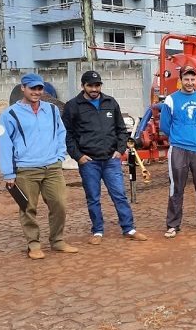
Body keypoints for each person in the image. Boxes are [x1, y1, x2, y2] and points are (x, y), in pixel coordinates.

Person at [0, 73, 78, 259]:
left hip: (52, 167)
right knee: (28, 208)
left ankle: (57, 241)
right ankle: (33, 244)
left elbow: (61, 133)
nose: (36, 92)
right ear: (23, 88)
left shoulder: (52, 110)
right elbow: (5, 144)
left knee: (59, 204)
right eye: (32, 88)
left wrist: (60, 155)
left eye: (39, 88)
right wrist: (8, 173)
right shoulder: (9, 115)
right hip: (26, 169)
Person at [62, 70, 147, 245]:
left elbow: (121, 129)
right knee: (93, 198)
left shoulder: (110, 102)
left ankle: (129, 228)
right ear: (83, 86)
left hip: (111, 160)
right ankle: (98, 231)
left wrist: (120, 150)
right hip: (89, 162)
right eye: (90, 85)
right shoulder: (73, 106)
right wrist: (78, 156)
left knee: (119, 195)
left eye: (97, 85)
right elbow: (67, 134)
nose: (94, 89)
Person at [160, 65, 196, 238]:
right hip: (178, 149)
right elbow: (164, 125)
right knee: (176, 188)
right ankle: (173, 225)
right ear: (180, 80)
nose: (190, 82)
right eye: (186, 79)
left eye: (192, 79)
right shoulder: (171, 100)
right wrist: (179, 137)